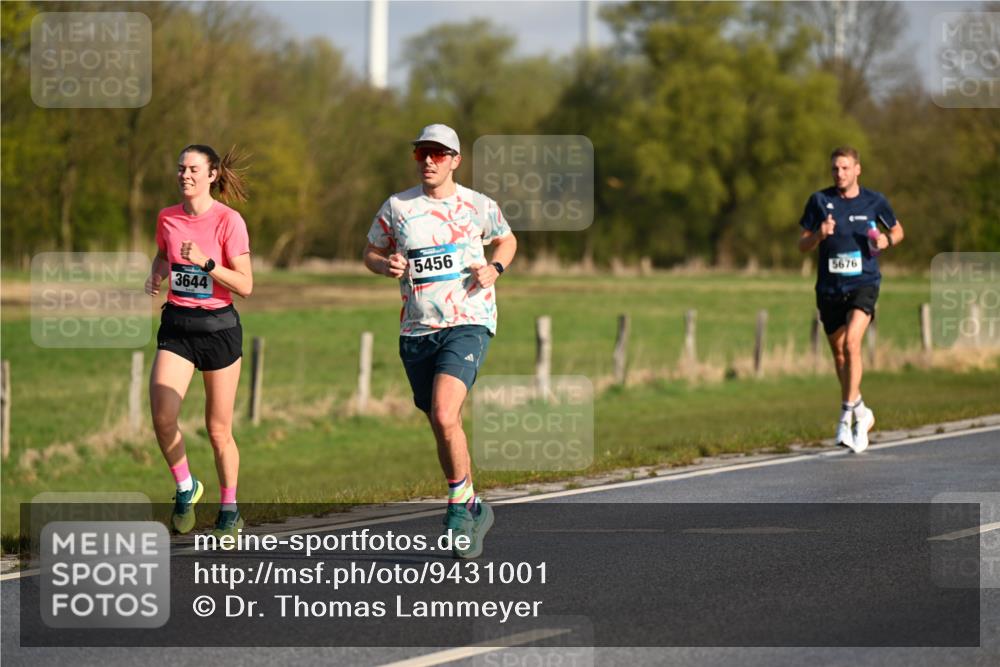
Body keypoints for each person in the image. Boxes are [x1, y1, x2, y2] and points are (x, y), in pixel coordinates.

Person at [364, 124, 517, 558]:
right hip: (416, 328)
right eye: (421, 153)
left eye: (437, 153)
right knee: (438, 420)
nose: (428, 160)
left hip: (468, 319)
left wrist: (495, 268)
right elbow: (370, 251)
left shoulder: (477, 205)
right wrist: (384, 265)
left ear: (454, 159)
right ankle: (470, 500)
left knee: (446, 412)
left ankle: (455, 509)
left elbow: (507, 239)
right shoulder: (397, 207)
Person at [145, 144, 252, 540]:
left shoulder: (229, 221)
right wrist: (156, 274)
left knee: (218, 429)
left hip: (219, 330)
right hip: (177, 326)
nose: (184, 175)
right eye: (180, 169)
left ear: (211, 174)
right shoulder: (167, 218)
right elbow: (162, 254)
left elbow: (246, 285)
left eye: (192, 169)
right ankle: (186, 485)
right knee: (162, 415)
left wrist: (208, 262)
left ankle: (229, 508)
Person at [798, 146, 904, 453]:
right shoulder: (820, 201)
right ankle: (862, 412)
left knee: (852, 344)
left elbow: (898, 230)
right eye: (835, 169)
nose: (839, 174)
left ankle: (845, 417)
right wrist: (818, 234)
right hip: (830, 289)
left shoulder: (874, 201)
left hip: (864, 283)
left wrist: (886, 239)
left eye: (845, 168)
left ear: (857, 169)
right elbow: (802, 245)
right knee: (840, 357)